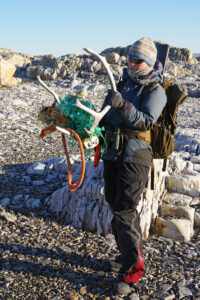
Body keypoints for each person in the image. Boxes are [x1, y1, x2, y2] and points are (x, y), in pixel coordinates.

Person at [101, 37, 167, 289]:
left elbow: (146, 121)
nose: (132, 63)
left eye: (137, 60)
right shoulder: (124, 83)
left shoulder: (155, 90)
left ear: (149, 63)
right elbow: (109, 116)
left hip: (134, 157)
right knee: (115, 204)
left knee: (126, 209)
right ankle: (126, 255)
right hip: (112, 152)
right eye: (130, 58)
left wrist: (122, 105)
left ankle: (132, 270)